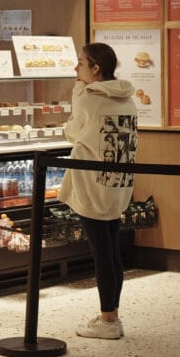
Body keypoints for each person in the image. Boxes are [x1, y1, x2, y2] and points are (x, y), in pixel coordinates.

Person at [59, 43, 138, 340]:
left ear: (96, 69)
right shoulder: (127, 99)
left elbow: (74, 132)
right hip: (117, 182)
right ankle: (112, 315)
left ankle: (108, 321)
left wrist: (77, 94)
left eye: (80, 63)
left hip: (92, 182)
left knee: (100, 252)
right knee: (111, 249)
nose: (75, 69)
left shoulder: (90, 99)